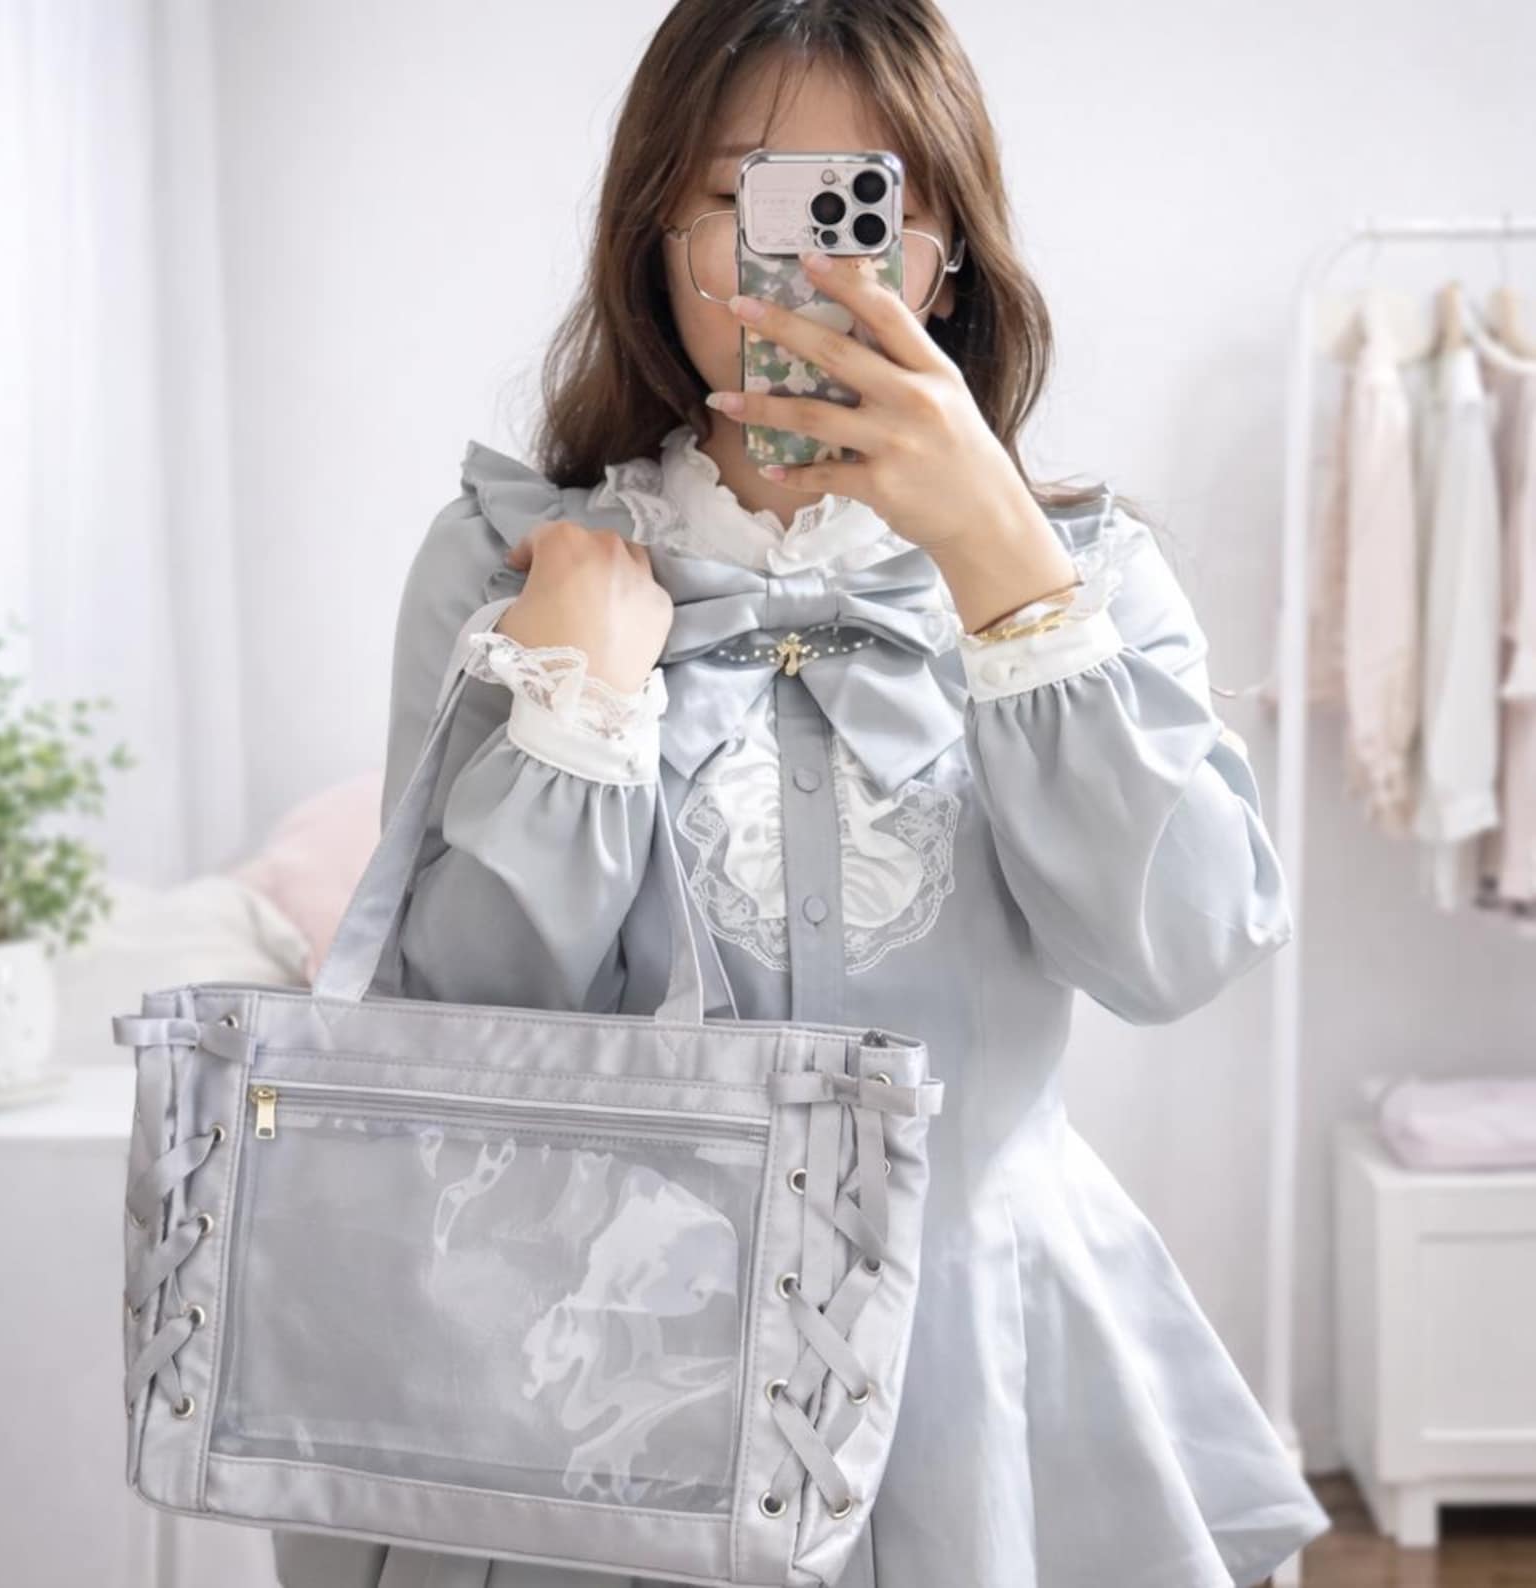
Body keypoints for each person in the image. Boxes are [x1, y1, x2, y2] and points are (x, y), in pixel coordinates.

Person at [274, 2, 1331, 1585]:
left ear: (948, 254)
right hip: (602, 1398)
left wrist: (1002, 568)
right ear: (655, 237)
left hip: (983, 1381)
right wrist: (574, 699)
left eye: (866, 202)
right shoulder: (510, 560)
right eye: (743, 196)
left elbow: (1179, 951)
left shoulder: (1086, 576)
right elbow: (457, 1036)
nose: (811, 260)